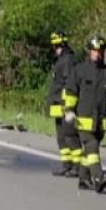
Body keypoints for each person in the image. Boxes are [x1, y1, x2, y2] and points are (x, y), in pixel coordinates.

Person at [62, 35, 106, 193]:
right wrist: (68, 110)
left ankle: (83, 179)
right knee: (92, 146)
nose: (98, 54)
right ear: (89, 51)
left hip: (101, 122)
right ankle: (98, 178)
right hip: (83, 121)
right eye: (95, 51)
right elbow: (70, 92)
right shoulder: (79, 71)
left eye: (101, 51)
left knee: (88, 151)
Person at [44, 32, 82, 177]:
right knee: (61, 136)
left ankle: (78, 166)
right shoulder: (60, 60)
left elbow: (69, 84)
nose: (55, 48)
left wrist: (68, 106)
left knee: (70, 135)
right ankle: (67, 165)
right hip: (57, 103)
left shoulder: (68, 60)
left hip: (65, 105)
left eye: (56, 46)